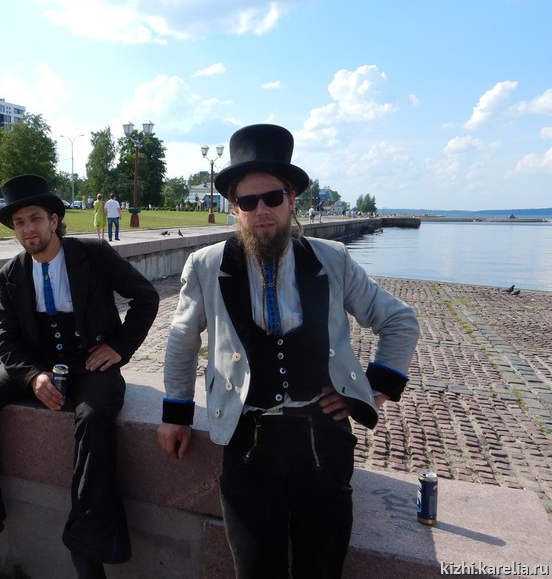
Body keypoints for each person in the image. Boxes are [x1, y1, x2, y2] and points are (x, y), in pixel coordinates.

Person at [156, 124, 419, 579]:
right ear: (234, 207)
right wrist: (176, 414)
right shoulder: (207, 264)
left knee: (322, 567)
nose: (261, 210)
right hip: (247, 440)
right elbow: (181, 340)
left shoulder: (331, 259)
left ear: (291, 199)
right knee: (256, 569)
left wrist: (371, 390)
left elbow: (399, 320)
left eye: (272, 197)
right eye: (248, 202)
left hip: (322, 440)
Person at [0, 174, 160, 577]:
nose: (28, 229)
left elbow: (146, 297)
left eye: (34, 219)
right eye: (19, 223)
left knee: (95, 418)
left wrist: (119, 347)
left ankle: (87, 550)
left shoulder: (94, 255)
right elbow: (5, 336)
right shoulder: (10, 274)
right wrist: (32, 377)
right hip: (35, 362)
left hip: (90, 362)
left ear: (53, 220)